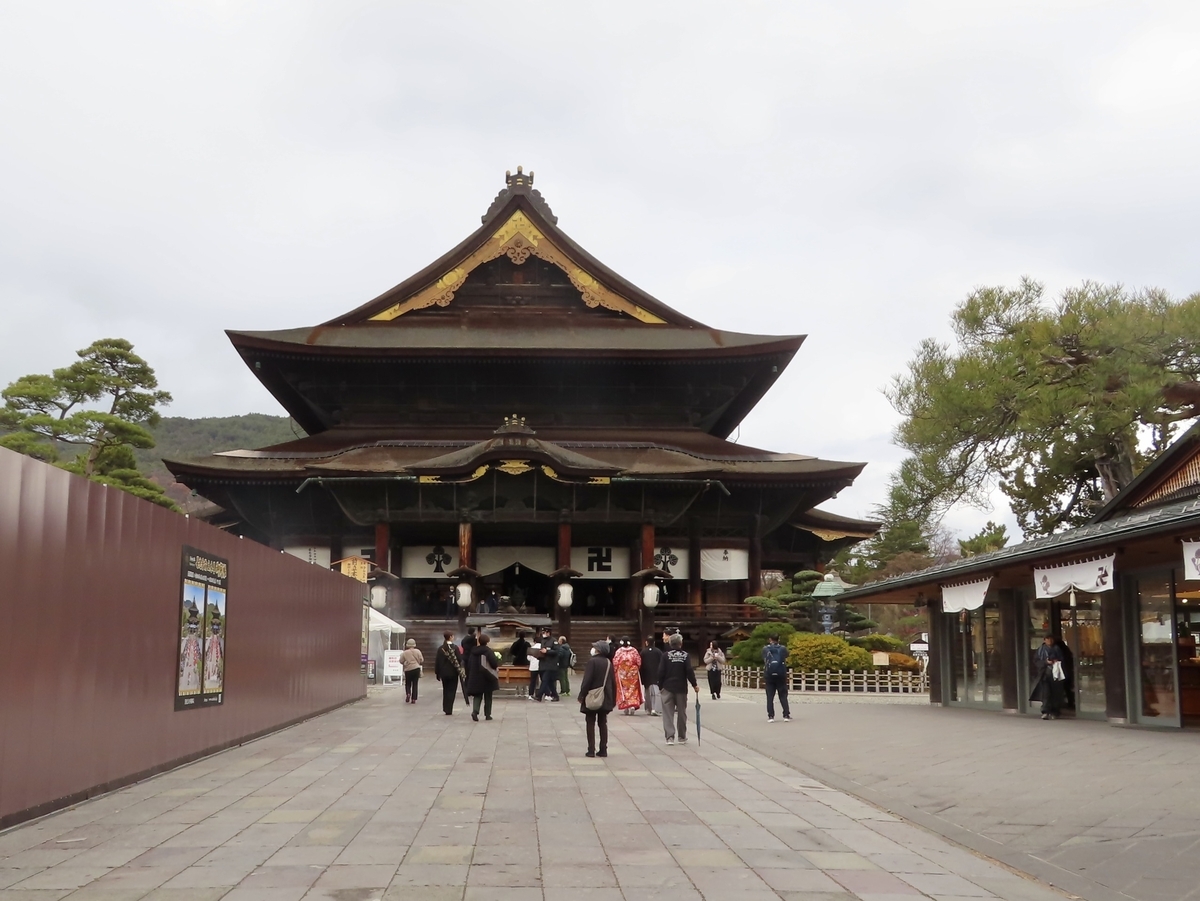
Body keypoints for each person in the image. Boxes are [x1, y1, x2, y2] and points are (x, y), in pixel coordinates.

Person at [577, 640, 616, 758]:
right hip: (605, 696)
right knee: (602, 723)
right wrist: (613, 698)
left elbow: (587, 680)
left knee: (590, 722)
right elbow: (613, 682)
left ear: (598, 650)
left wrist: (582, 695)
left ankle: (591, 749)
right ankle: (603, 749)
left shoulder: (592, 662)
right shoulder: (608, 662)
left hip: (592, 695)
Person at [657, 632, 698, 745]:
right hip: (681, 688)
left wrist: (660, 686)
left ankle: (669, 737)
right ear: (681, 643)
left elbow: (661, 672)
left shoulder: (665, 655)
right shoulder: (685, 655)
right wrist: (694, 684)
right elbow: (689, 671)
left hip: (667, 687)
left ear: (670, 643)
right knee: (681, 713)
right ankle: (682, 736)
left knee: (668, 713)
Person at [1030, 634, 1067, 719]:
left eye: (1051, 639)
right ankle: (1045, 711)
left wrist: (1056, 661)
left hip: (1056, 674)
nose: (1049, 641)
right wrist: (1045, 662)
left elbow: (1063, 659)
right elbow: (1036, 661)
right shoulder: (1040, 650)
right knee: (1046, 694)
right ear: (1044, 640)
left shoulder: (1057, 649)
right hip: (1044, 674)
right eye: (1048, 639)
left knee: (1056, 694)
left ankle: (1054, 712)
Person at [465, 633, 500, 722]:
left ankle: (475, 711)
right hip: (487, 676)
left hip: (476, 676)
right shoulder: (488, 651)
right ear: (487, 642)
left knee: (477, 695)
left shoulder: (473, 651)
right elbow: (493, 662)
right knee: (488, 696)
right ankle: (488, 715)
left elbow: (469, 664)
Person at [434, 630, 465, 715]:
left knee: (445, 690)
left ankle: (445, 707)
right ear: (450, 637)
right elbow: (459, 659)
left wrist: (437, 673)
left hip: (443, 673)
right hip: (453, 673)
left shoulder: (441, 648)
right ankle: (449, 708)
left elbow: (437, 662)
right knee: (452, 690)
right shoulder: (455, 648)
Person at [762, 634, 791, 722]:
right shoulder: (782, 648)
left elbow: (764, 659)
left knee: (770, 696)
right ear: (779, 639)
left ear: (770, 639)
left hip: (769, 675)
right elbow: (786, 656)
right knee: (783, 695)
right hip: (781, 674)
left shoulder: (765, 649)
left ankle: (771, 716)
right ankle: (786, 715)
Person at [613, 638, 644, 715]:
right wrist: (636, 668)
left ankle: (626, 706)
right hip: (633, 673)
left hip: (622, 673)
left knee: (624, 690)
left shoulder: (619, 651)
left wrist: (616, 670)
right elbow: (638, 661)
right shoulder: (634, 651)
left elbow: (615, 662)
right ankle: (632, 705)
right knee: (633, 689)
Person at [640, 638, 663, 716]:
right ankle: (655, 709)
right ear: (654, 642)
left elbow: (640, 664)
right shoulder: (658, 651)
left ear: (646, 642)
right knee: (656, 693)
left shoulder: (643, 652)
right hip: (656, 674)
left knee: (647, 693)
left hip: (646, 675)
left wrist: (641, 675)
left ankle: (648, 709)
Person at [536, 629, 560, 701]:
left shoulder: (553, 641)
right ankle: (555, 696)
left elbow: (556, 651)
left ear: (548, 633)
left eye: (544, 632)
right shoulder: (543, 641)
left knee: (545, 680)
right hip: (543, 663)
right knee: (550, 682)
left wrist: (547, 651)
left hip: (550, 665)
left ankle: (539, 696)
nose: (543, 634)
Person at [400, 639, 424, 703]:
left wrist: (405, 662)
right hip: (416, 668)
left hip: (408, 669)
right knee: (415, 684)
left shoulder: (404, 652)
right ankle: (414, 699)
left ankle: (408, 693)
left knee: (408, 683)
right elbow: (421, 660)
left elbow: (401, 661)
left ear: (407, 645)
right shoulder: (418, 651)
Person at [527, 632, 542, 699]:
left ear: (534, 641)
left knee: (533, 681)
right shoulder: (542, 648)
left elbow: (528, 658)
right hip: (541, 666)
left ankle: (530, 694)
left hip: (533, 666)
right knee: (543, 680)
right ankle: (546, 694)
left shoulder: (531, 648)